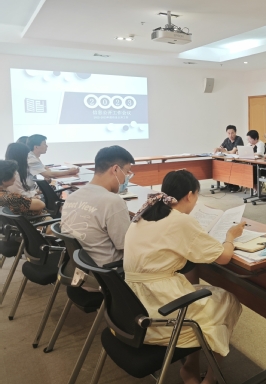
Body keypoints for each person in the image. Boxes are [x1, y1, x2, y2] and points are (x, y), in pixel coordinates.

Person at [124, 170, 244, 384]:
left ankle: (190, 366)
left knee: (199, 299)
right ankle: (210, 379)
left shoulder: (145, 213)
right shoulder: (179, 220)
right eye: (196, 197)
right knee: (227, 301)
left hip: (131, 307)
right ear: (189, 195)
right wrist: (230, 236)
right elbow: (224, 257)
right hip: (157, 310)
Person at [60, 146, 134, 267]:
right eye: (127, 172)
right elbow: (128, 248)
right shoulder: (113, 202)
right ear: (115, 169)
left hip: (77, 268)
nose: (127, 177)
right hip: (108, 272)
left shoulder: (72, 197)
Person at [214, 125, 244, 191]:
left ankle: (235, 186)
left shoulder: (238, 139)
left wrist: (225, 151)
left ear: (235, 132)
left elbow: (233, 152)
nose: (230, 135)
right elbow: (221, 148)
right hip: (230, 160)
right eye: (229, 133)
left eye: (232, 133)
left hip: (238, 161)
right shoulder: (226, 140)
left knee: (229, 166)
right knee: (222, 165)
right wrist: (217, 149)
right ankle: (228, 184)